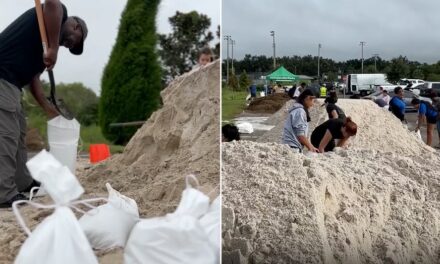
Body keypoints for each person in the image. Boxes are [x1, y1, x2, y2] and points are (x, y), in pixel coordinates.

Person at [0, 0, 87, 208]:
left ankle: (23, 183)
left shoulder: (44, 46)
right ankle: (3, 194)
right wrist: (54, 50)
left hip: (12, 83)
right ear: (74, 26)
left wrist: (51, 111)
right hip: (2, 76)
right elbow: (52, 3)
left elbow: (34, 82)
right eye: (75, 42)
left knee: (19, 133)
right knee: (6, 135)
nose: (70, 46)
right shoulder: (58, 15)